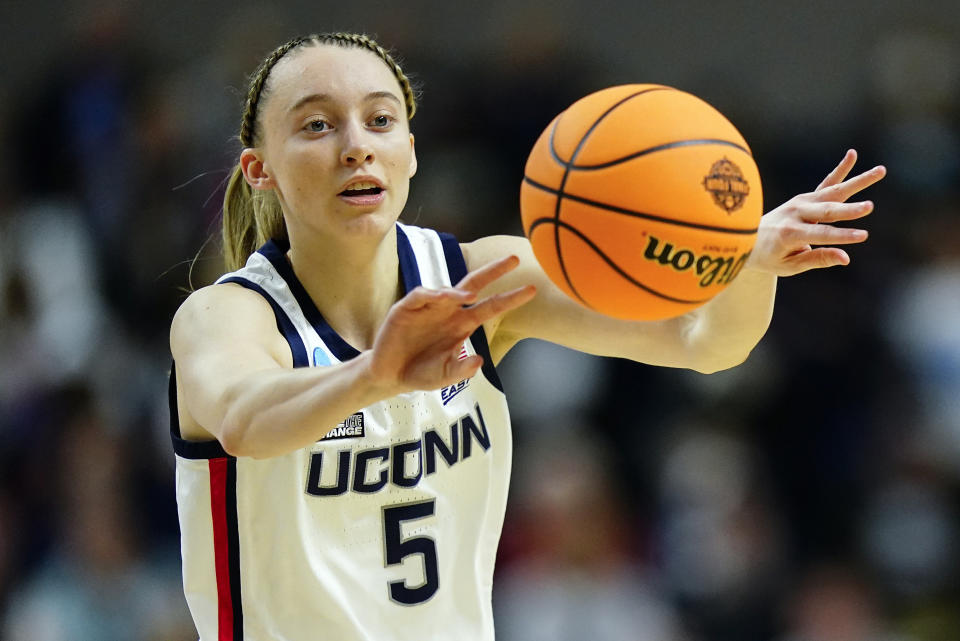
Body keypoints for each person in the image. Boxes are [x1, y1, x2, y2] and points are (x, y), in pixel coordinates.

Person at [168, 32, 886, 641]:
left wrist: (744, 261)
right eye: (317, 125)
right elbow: (244, 420)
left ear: (411, 152)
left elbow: (704, 343)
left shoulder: (479, 280)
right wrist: (371, 375)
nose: (356, 145)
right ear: (258, 169)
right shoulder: (228, 316)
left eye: (379, 120)